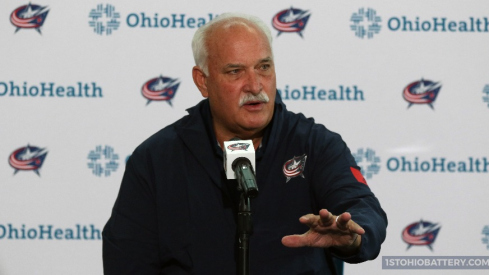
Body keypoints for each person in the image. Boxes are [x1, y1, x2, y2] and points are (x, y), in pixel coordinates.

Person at [102, 12, 387, 275]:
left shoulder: (315, 145)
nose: (255, 85)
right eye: (235, 71)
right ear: (203, 81)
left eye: (263, 67)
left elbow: (364, 210)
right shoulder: (156, 159)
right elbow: (126, 260)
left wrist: (351, 238)